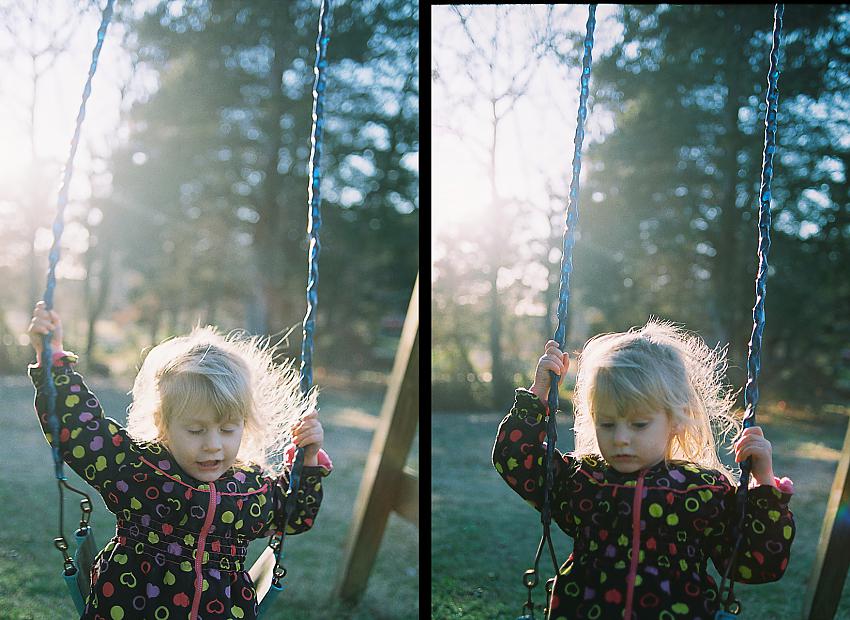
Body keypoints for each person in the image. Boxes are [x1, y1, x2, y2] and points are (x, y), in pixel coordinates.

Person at [28, 301, 332, 620]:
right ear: (164, 424)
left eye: (228, 429)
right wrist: (54, 359)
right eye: (195, 430)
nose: (212, 445)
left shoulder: (251, 490)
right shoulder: (140, 469)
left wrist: (307, 459)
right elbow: (79, 430)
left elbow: (293, 516)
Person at [492, 319, 794, 620]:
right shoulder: (583, 479)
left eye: (639, 424)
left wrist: (764, 486)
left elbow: (757, 564)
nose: (621, 438)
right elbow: (517, 461)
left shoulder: (704, 490)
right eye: (607, 424)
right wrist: (538, 394)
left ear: (676, 420)